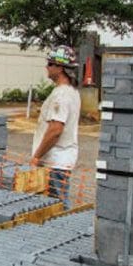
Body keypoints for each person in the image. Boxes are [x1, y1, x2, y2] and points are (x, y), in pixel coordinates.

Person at [30, 45, 81, 206]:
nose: (47, 67)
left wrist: (36, 157)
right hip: (59, 162)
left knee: (56, 209)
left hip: (55, 163)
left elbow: (55, 131)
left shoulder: (62, 95)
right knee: (53, 207)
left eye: (50, 64)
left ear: (60, 68)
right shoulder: (71, 92)